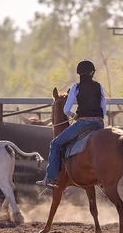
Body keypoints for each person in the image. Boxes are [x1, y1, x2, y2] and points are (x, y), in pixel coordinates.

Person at [36, 60, 107, 188]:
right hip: (99, 124)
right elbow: (104, 109)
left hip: (83, 124)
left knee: (55, 144)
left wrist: (74, 116)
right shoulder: (99, 86)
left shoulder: (76, 87)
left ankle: (51, 178)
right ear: (91, 73)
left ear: (79, 73)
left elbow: (66, 110)